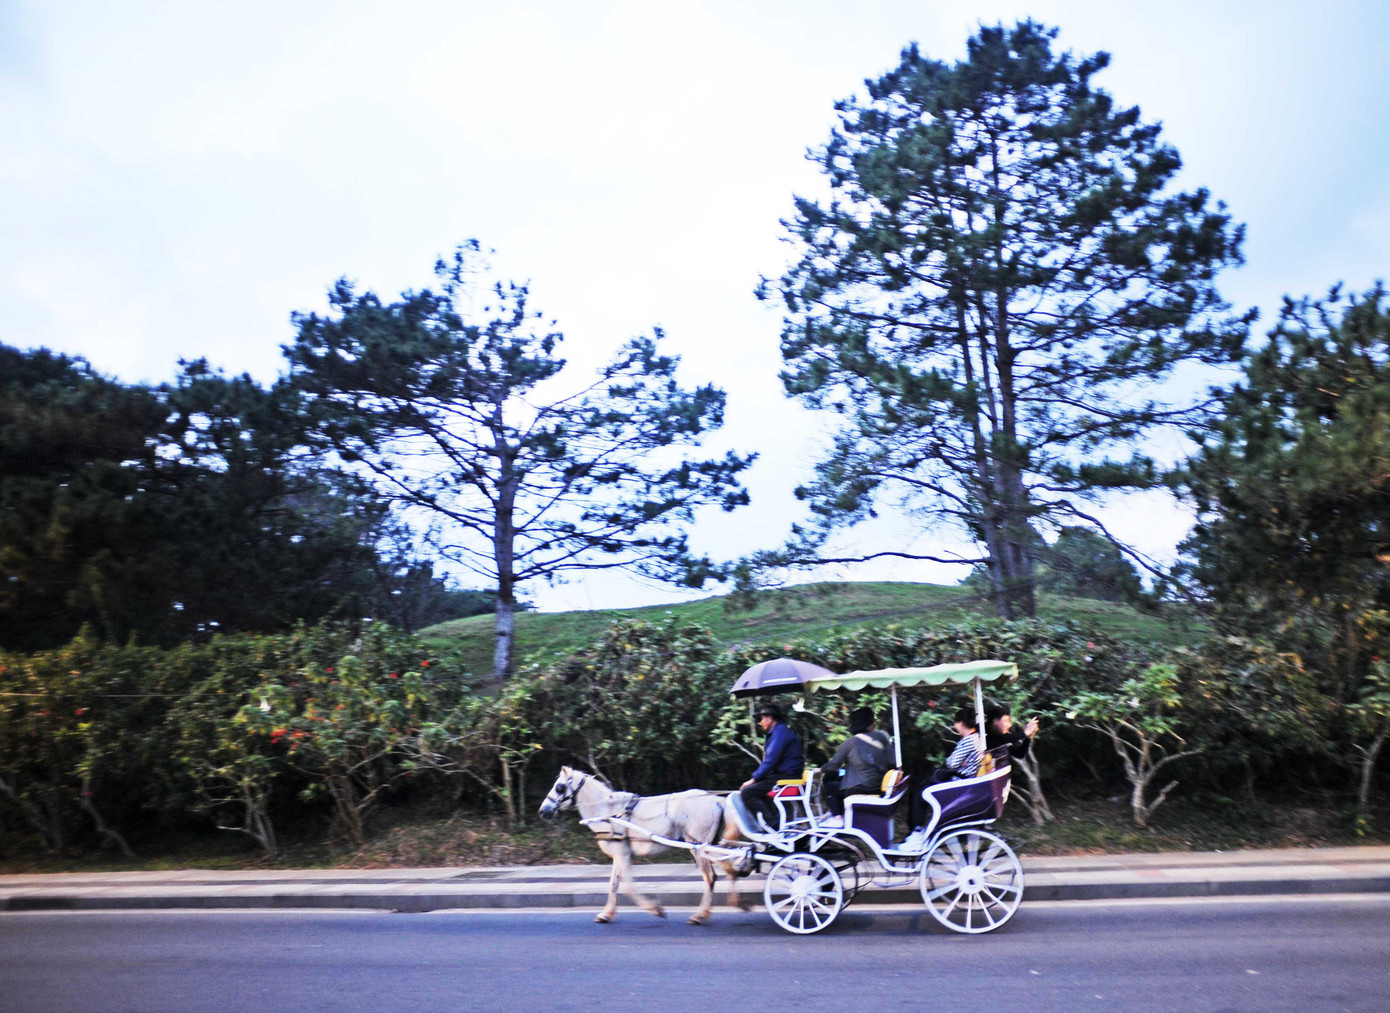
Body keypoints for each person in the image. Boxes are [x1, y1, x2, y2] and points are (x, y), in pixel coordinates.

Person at [904, 706, 983, 844]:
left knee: (919, 794)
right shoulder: (976, 738)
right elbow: (957, 762)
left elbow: (951, 763)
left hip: (958, 784)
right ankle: (917, 831)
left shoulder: (968, 741)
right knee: (920, 788)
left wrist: (954, 762)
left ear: (960, 723)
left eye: (955, 723)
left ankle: (916, 831)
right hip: (963, 782)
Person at [817, 706, 893, 826]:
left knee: (830, 784)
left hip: (863, 787)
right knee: (836, 778)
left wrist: (820, 769)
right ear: (871, 724)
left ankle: (837, 817)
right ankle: (838, 813)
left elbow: (833, 765)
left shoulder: (850, 743)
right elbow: (891, 761)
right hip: (880, 784)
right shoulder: (882, 738)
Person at [739, 702, 804, 831]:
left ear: (770, 718)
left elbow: (771, 760)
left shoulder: (780, 732)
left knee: (747, 792)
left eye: (763, 718)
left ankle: (773, 825)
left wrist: (753, 779)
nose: (761, 722)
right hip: (785, 774)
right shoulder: (779, 731)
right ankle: (775, 820)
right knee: (756, 788)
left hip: (787, 776)